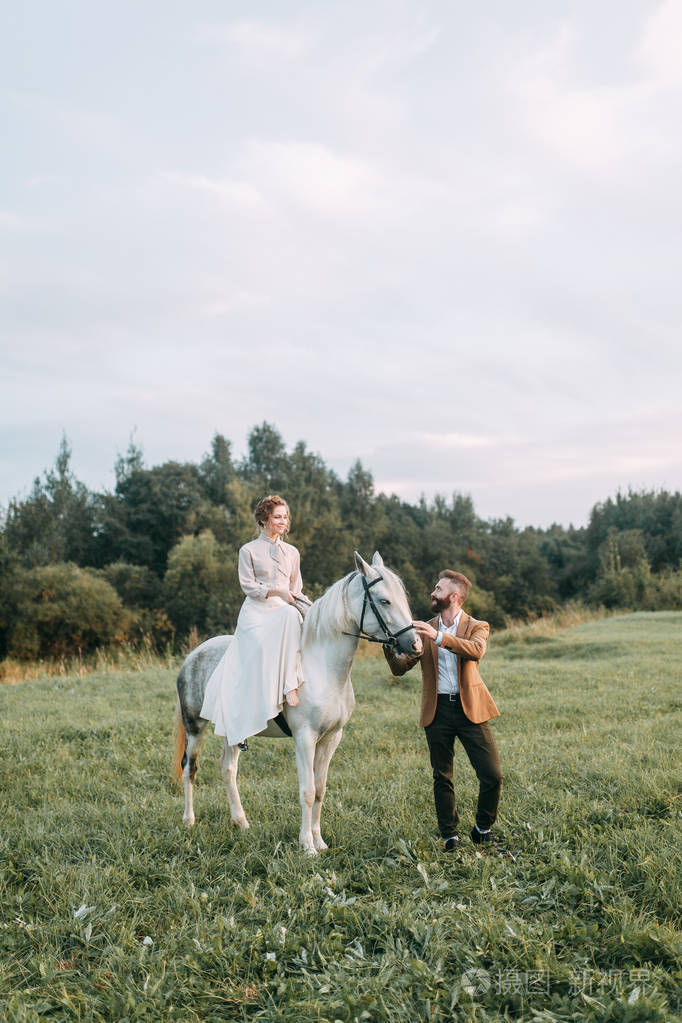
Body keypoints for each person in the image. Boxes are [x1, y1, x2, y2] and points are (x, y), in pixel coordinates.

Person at [384, 570, 503, 851]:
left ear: (454, 596)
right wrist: (391, 647)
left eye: (437, 589)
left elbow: (475, 651)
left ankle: (482, 829)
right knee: (442, 775)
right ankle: (450, 835)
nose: (432, 593)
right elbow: (400, 669)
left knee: (492, 774)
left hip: (469, 710)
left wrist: (439, 638)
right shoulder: (423, 628)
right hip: (436, 711)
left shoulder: (477, 626)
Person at [200, 494, 310, 748]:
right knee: (289, 615)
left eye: (285, 517)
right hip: (257, 612)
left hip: (285, 609)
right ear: (263, 519)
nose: (283, 521)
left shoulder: (292, 552)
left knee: (296, 616)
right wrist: (277, 592)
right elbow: (248, 586)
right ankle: (285, 688)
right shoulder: (248, 550)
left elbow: (296, 587)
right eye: (277, 517)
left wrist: (309, 605)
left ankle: (292, 686)